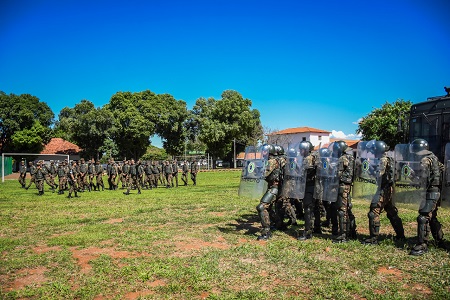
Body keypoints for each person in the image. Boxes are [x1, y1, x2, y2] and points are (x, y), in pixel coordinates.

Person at [362, 140, 405, 245]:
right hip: (389, 188)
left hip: (383, 188)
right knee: (391, 212)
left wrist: (367, 167)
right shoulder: (390, 158)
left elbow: (378, 174)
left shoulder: (382, 160)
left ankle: (373, 239)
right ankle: (401, 235)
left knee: (374, 212)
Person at [408, 139, 445, 255]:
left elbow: (422, 180)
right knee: (431, 216)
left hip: (430, 191)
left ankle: (422, 245)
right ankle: (439, 240)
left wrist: (411, 176)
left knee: (423, 218)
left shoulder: (424, 160)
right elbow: (443, 170)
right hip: (436, 190)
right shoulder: (434, 157)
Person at [256, 144, 286, 240]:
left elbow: (263, 173)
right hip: (275, 187)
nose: (262, 153)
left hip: (274, 188)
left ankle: (266, 231)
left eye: (264, 151)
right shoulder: (273, 160)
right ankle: (279, 224)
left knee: (261, 207)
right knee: (268, 208)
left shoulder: (271, 161)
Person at [330, 141, 357, 243]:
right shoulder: (351, 157)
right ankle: (352, 231)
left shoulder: (342, 158)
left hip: (342, 186)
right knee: (347, 209)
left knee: (342, 211)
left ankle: (343, 236)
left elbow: (337, 173)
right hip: (348, 185)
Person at [297, 141, 320, 241]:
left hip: (309, 185)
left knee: (308, 209)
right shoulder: (315, 157)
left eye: (302, 149)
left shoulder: (308, 158)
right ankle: (317, 228)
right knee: (315, 208)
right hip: (315, 186)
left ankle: (308, 232)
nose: (300, 151)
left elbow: (304, 171)